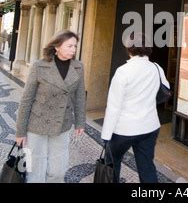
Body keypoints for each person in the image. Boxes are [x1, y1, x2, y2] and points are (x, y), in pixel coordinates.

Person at [15, 30, 86, 183]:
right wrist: (20, 131)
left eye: (75, 46)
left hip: (62, 124)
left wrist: (80, 122)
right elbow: (26, 99)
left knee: (58, 171)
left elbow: (79, 97)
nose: (73, 50)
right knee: (35, 170)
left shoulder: (78, 67)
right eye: (69, 46)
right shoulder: (39, 66)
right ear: (57, 47)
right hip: (37, 124)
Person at [101, 33, 170, 183]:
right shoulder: (156, 68)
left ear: (129, 48)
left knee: (112, 163)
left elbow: (114, 106)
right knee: (147, 167)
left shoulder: (123, 71)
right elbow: (166, 88)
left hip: (124, 129)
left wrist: (106, 135)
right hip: (150, 127)